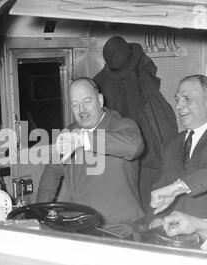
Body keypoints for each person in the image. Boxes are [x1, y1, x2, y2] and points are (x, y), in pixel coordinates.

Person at [37, 77, 145, 225]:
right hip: (79, 224)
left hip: (118, 227)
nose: (82, 110)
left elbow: (134, 146)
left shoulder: (122, 125)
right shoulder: (70, 131)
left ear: (100, 100)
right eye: (75, 105)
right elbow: (52, 172)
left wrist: (83, 140)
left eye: (87, 101)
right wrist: (38, 214)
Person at [93, 36, 178, 211]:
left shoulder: (100, 84)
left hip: (123, 158)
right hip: (152, 155)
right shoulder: (143, 75)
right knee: (153, 205)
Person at [150, 75, 207, 219]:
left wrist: (177, 189)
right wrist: (154, 220)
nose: (178, 106)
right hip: (174, 232)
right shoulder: (171, 144)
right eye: (177, 100)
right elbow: (159, 189)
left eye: (187, 99)